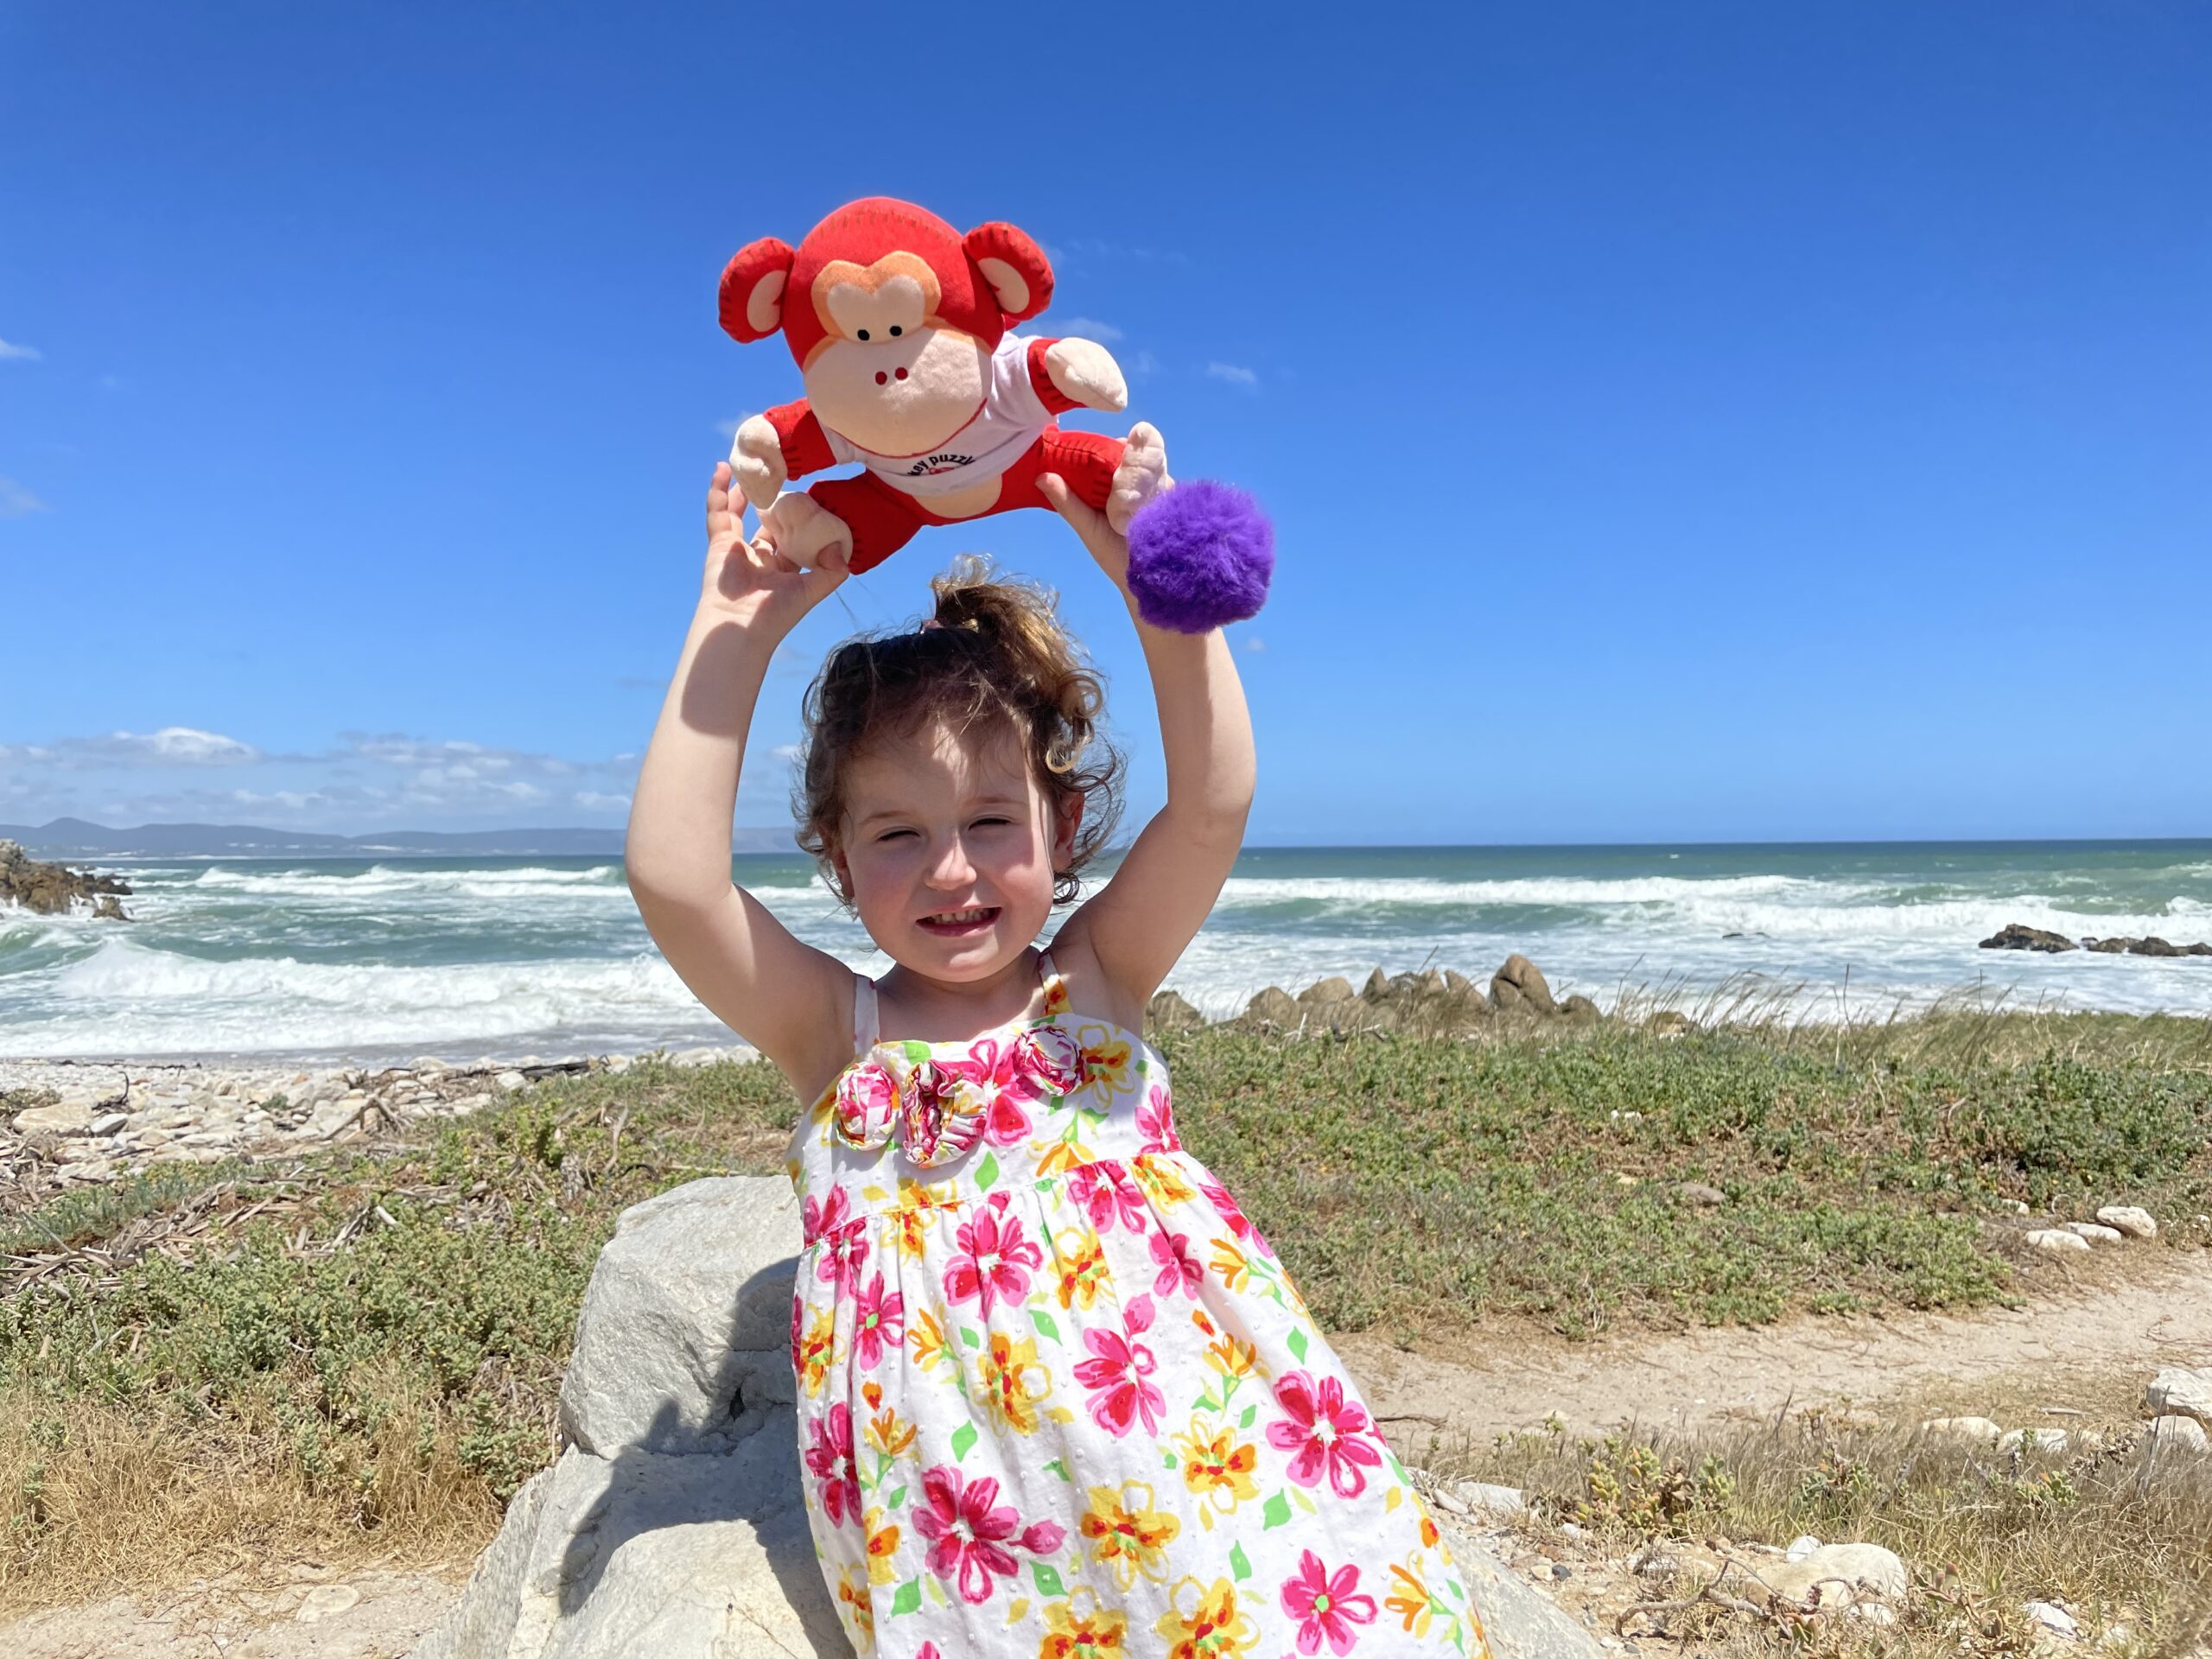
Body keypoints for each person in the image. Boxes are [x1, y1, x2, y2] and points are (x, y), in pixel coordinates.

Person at [627, 425, 1487, 1657]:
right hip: (974, 1522)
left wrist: (1164, 600)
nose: (955, 870)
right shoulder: (836, 1034)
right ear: (833, 854)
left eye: (991, 819)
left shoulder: (1094, 982)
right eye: (896, 835)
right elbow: (672, 876)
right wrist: (736, 626)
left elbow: (1214, 801)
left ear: (1065, 822)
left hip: (1191, 1458)